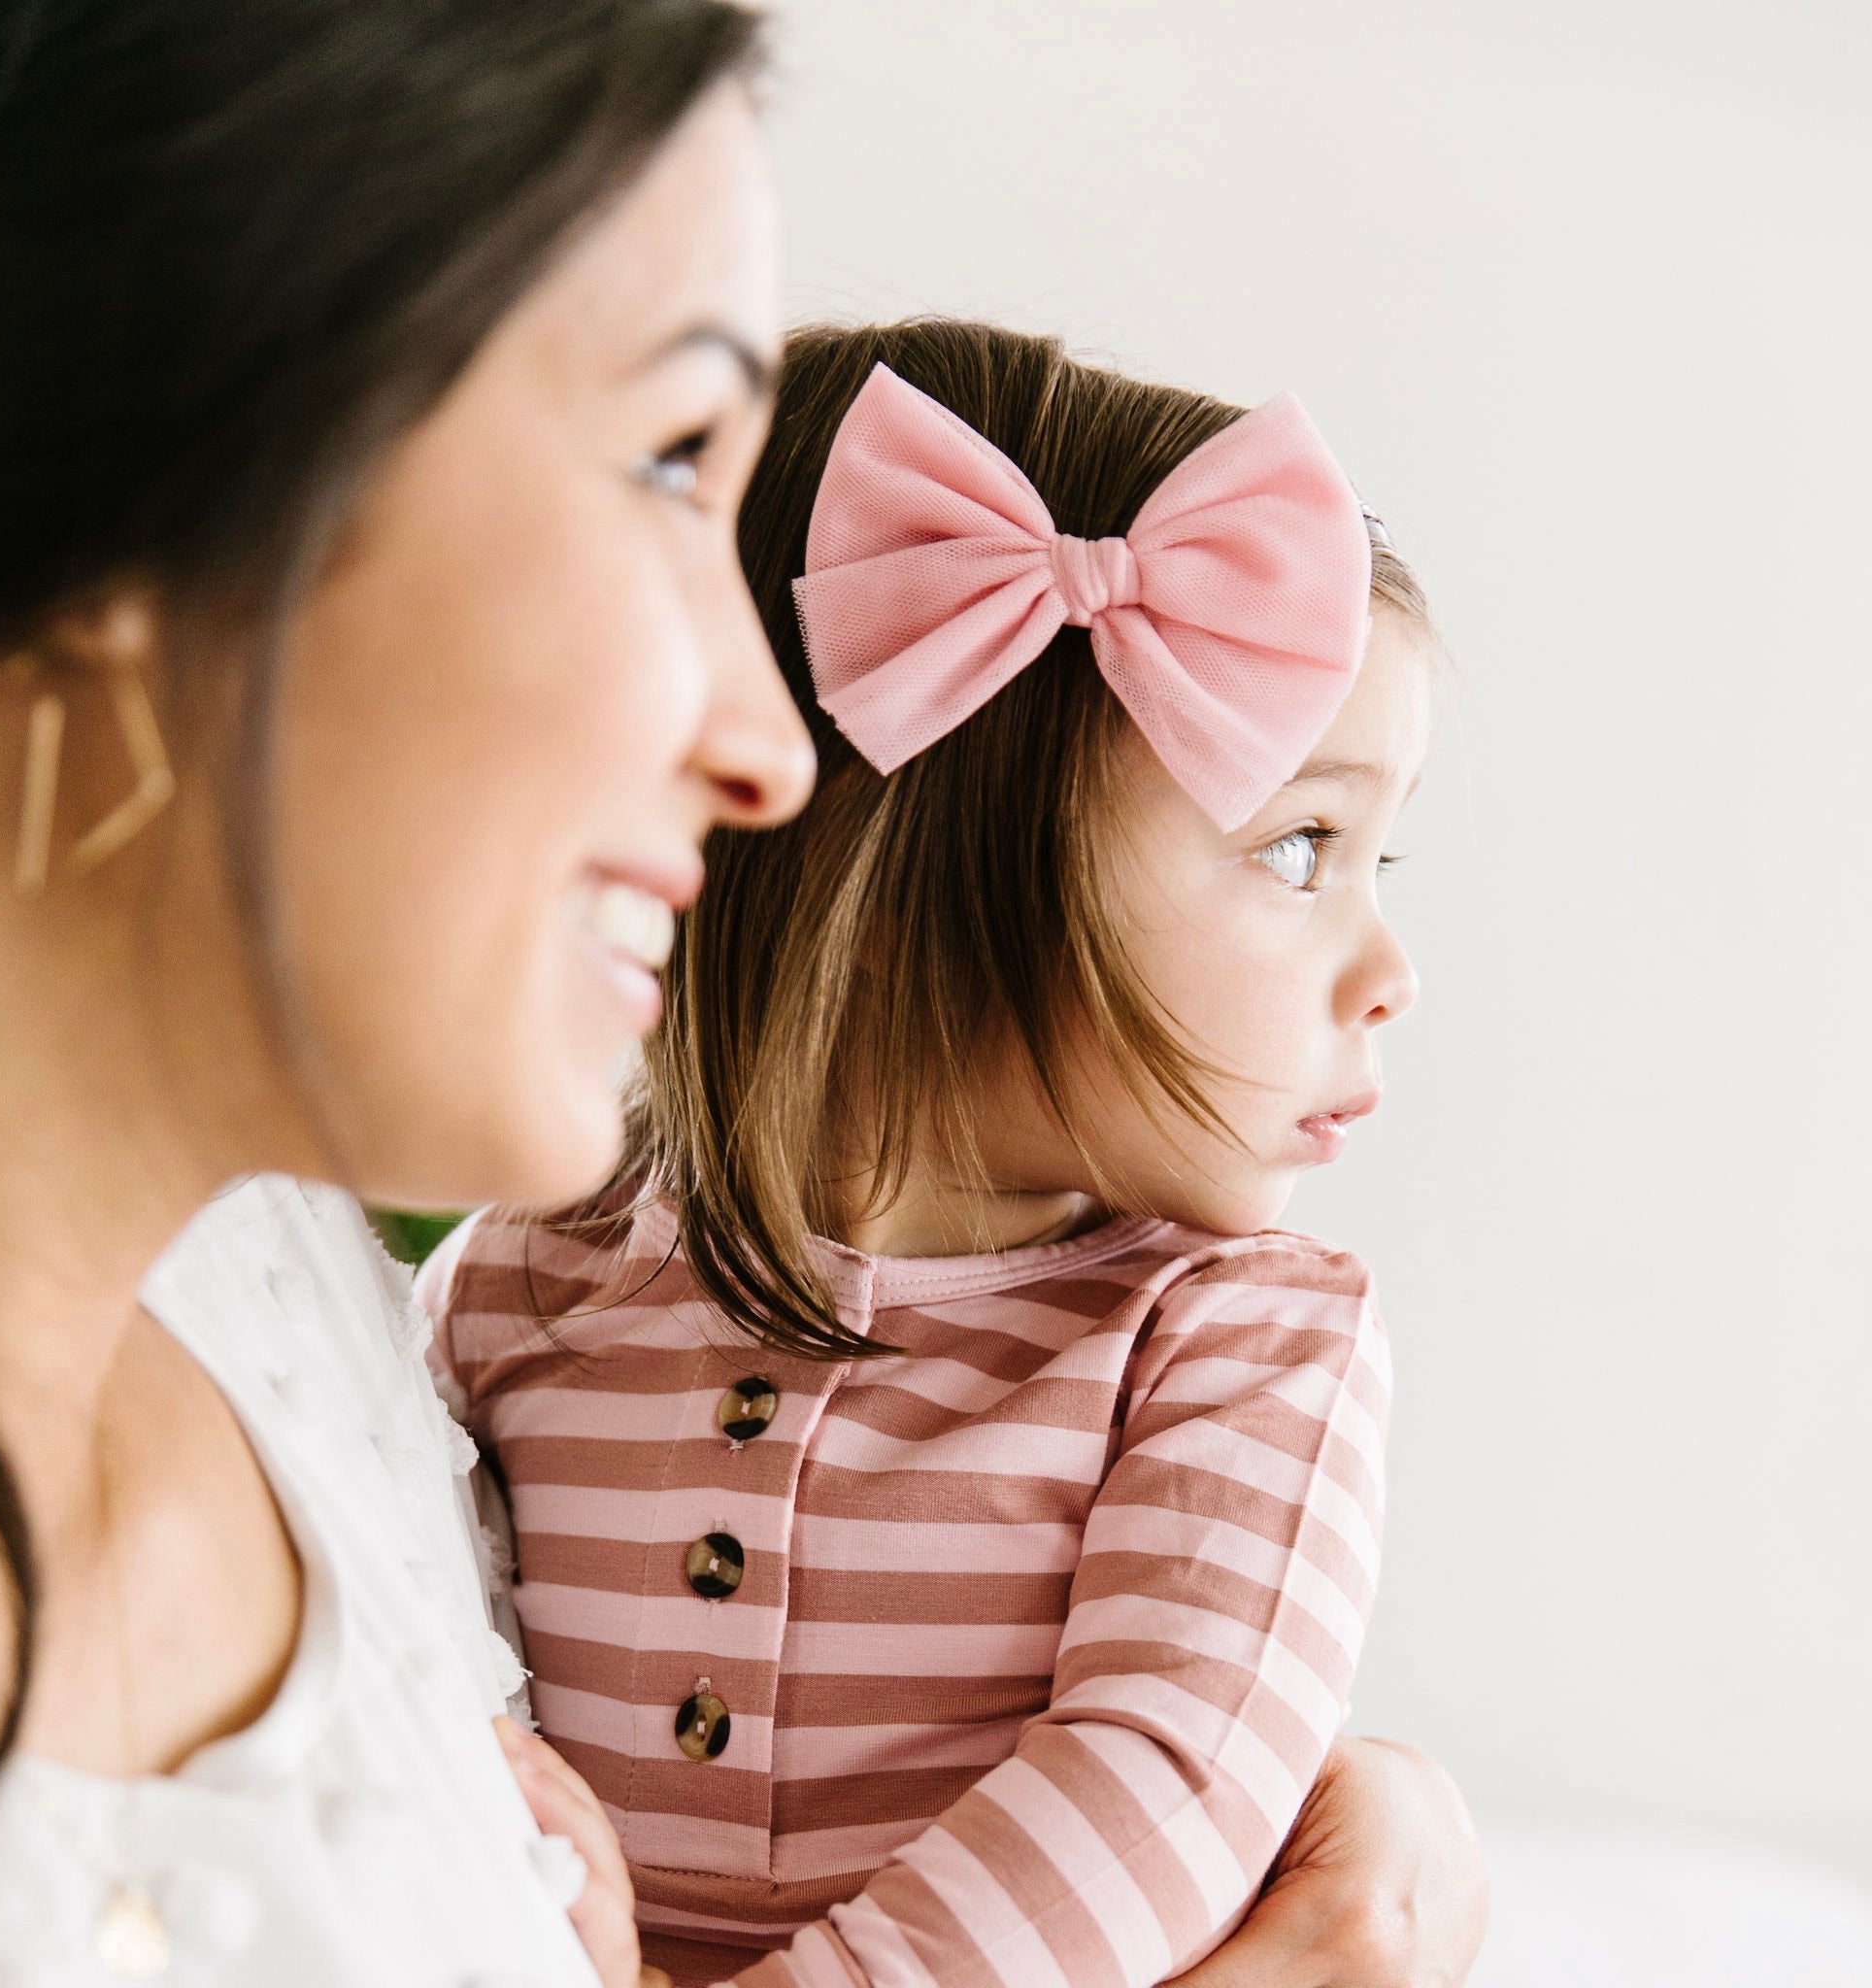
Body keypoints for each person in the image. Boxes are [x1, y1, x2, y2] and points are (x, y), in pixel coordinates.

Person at [0, 0, 1484, 1980]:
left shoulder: (323, 1312)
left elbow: (1163, 1760)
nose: (774, 745)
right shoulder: (513, 1284)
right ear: (157, 479)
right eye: (667, 458)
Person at [421, 320, 1459, 1988]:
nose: (1390, 971)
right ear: (936, 845)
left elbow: (1162, 1780)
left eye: (1379, 856)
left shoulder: (1243, 1347)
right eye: (1301, 847)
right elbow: (420, 1712)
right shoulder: (519, 1278)